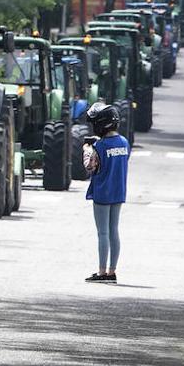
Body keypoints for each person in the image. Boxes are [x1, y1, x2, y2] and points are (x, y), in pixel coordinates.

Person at [82, 102, 130, 283]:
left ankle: (101, 272)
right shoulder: (125, 143)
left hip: (102, 193)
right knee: (114, 231)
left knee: (102, 233)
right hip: (118, 192)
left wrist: (87, 149)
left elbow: (90, 166)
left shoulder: (100, 146)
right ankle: (112, 271)